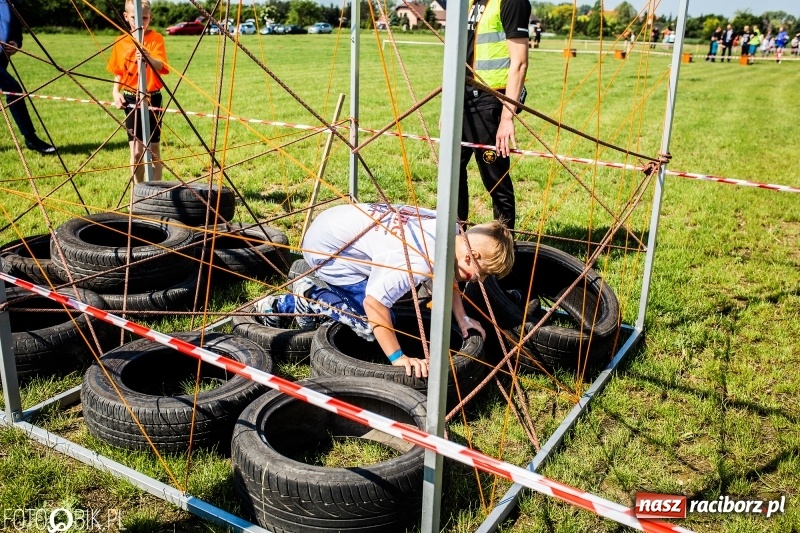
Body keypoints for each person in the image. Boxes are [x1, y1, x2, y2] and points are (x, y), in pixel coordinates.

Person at [256, 203, 515, 378]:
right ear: (473, 256)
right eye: (486, 273)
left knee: (396, 293)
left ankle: (329, 295)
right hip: (326, 251)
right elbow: (375, 305)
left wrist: (462, 317)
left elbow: (446, 277)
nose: (482, 279)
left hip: (336, 222)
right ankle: (309, 295)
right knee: (377, 322)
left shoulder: (453, 230)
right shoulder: (416, 261)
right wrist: (398, 358)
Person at [458, 0, 530, 229]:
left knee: (495, 179)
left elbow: (519, 62)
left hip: (490, 101)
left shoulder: (511, 2)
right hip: (463, 99)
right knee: (452, 174)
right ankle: (457, 237)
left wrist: (507, 118)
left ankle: (505, 245)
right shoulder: (469, 2)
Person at [107, 0, 168, 182]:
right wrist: (115, 92)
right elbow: (119, 73)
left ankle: (156, 194)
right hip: (131, 99)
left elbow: (161, 66)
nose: (140, 23)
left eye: (145, 18)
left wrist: (149, 57)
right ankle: (140, 193)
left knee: (153, 150)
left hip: (152, 98)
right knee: (136, 152)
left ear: (151, 17)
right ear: (126, 17)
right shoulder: (120, 42)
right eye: (135, 18)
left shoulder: (155, 39)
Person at [0, 0, 56, 155]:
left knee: (13, 91)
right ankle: (31, 138)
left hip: (2, 57)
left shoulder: (12, 4)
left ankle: (30, 138)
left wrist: (15, 44)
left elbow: (17, 33)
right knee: (13, 89)